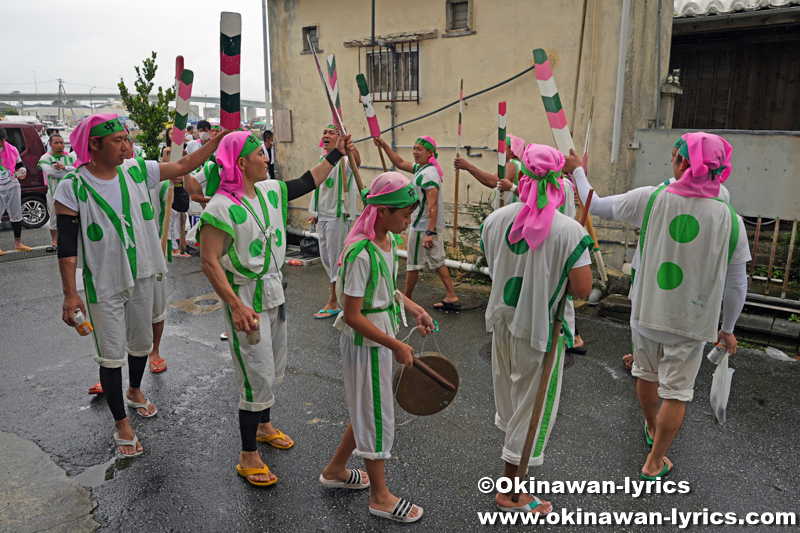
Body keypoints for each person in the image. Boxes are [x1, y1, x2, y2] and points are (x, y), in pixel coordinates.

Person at [563, 132, 749, 480]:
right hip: (693, 322)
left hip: (647, 312)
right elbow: (738, 284)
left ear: (681, 163)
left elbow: (595, 203)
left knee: (646, 374)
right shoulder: (732, 221)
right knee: (677, 393)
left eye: (674, 157)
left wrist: (577, 170)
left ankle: (651, 424)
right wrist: (728, 328)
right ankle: (654, 460)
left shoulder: (650, 198)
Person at [54, 113, 226, 457]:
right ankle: (121, 424)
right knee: (110, 356)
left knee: (141, 343)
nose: (125, 145)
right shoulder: (72, 187)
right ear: (94, 145)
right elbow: (68, 245)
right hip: (104, 284)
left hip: (144, 274)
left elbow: (182, 166)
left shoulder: (135, 170)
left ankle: (134, 390)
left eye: (126, 138)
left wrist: (216, 142)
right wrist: (70, 292)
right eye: (117, 140)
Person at [198, 130, 356, 487]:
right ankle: (247, 454)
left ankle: (265, 424)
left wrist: (336, 154)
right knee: (256, 375)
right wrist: (235, 305)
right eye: (259, 154)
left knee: (273, 365)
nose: (266, 159)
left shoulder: (269, 190)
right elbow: (209, 261)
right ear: (241, 163)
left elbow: (306, 181)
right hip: (245, 297)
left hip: (274, 290)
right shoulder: (220, 207)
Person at [481, 143, 593, 514]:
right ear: (560, 179)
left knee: (514, 404)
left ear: (523, 176)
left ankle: (512, 478)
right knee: (532, 412)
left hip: (503, 326)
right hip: (541, 334)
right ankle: (511, 493)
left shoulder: (495, 220)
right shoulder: (570, 231)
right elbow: (581, 290)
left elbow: (493, 264)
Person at [321, 172, 433, 523]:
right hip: (366, 343)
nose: (409, 220)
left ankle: (336, 470)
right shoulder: (360, 252)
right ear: (382, 211)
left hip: (379, 337)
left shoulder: (385, 242)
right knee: (376, 414)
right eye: (404, 214)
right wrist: (396, 345)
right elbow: (352, 314)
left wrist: (415, 309)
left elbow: (385, 291)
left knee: (366, 407)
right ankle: (380, 497)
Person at [373, 135, 459, 310]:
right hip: (427, 227)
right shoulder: (424, 169)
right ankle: (451, 295)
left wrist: (429, 232)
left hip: (423, 228)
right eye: (414, 148)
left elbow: (433, 205)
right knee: (438, 261)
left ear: (430, 153)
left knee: (413, 265)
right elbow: (400, 162)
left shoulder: (428, 174)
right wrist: (384, 145)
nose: (415, 152)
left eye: (419, 149)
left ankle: (406, 300)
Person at [308, 124, 361, 319]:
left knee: (337, 260)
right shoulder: (323, 159)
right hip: (324, 216)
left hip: (338, 216)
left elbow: (358, 163)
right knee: (327, 260)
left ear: (339, 138)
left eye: (331, 133)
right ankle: (341, 298)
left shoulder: (345, 160)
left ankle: (334, 301)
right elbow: (318, 188)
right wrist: (315, 212)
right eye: (324, 132)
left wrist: (349, 148)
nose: (326, 135)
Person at [454, 133, 527, 205]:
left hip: (510, 214)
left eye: (502, 147)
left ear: (512, 150)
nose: (498, 151)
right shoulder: (520, 165)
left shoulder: (512, 165)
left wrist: (468, 166)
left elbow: (493, 182)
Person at [39, 134, 78, 252]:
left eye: (61, 142)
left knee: (74, 217)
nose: (60, 145)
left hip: (72, 193)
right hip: (54, 193)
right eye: (56, 143)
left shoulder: (71, 157)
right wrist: (70, 171)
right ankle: (55, 242)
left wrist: (65, 167)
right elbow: (51, 173)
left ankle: (74, 240)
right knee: (54, 218)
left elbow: (81, 169)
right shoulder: (45, 158)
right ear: (50, 144)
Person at [0, 127, 32, 254]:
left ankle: (18, 243)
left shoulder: (12, 149)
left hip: (13, 185)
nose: (1, 144)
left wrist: (22, 171)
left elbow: (20, 165)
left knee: (16, 214)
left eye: (2, 141)